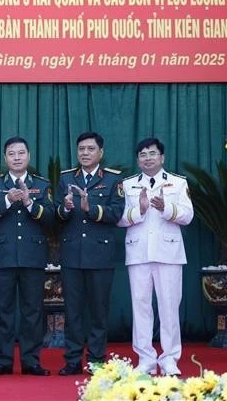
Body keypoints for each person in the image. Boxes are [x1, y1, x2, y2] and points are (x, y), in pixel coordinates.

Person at [117, 138, 193, 376]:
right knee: (140, 307)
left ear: (162, 157)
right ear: (137, 159)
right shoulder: (128, 185)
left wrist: (166, 209)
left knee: (170, 306)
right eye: (142, 154)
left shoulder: (178, 183)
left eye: (152, 153)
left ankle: (170, 359)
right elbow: (118, 219)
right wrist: (138, 211)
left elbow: (188, 216)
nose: (147, 158)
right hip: (138, 252)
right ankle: (146, 359)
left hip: (168, 253)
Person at [0, 137, 55, 377]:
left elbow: (51, 217)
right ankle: (2, 361)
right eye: (11, 154)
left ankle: (31, 361)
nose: (16, 157)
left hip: (32, 257)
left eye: (21, 153)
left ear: (29, 156)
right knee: (3, 311)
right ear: (5, 158)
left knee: (32, 311)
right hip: (3, 257)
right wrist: (6, 200)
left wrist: (29, 202)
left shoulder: (42, 185)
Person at [55, 131, 125, 375]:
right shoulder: (66, 179)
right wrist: (65, 207)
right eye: (81, 149)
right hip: (72, 254)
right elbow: (57, 214)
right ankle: (73, 360)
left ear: (101, 153)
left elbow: (117, 213)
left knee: (98, 311)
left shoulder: (113, 180)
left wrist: (91, 208)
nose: (85, 153)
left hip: (100, 255)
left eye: (90, 149)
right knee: (72, 311)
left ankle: (96, 360)